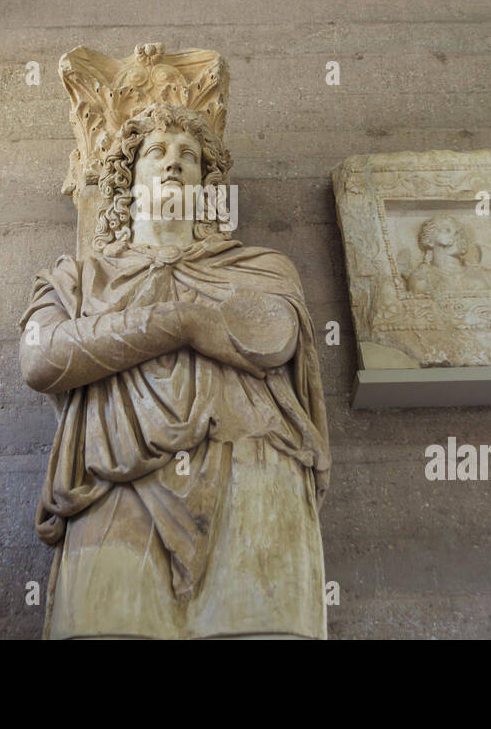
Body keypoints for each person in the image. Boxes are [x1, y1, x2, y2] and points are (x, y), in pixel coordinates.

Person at [19, 102, 330, 639]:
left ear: (208, 184)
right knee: (104, 625)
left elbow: (272, 337)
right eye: (157, 152)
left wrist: (127, 334)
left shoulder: (260, 268)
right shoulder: (74, 278)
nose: (173, 163)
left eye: (189, 156)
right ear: (127, 176)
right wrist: (184, 321)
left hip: (248, 456)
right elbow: (42, 357)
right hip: (114, 467)